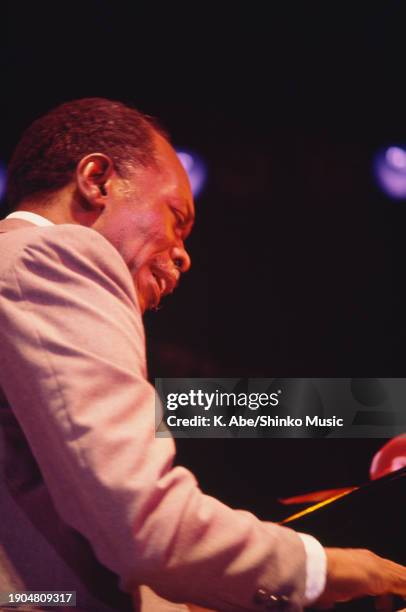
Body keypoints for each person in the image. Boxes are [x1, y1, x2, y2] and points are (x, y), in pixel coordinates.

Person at [0, 98, 405, 612]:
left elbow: (67, 550)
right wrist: (336, 569)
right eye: (176, 219)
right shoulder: (51, 258)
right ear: (98, 180)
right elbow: (144, 525)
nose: (185, 255)